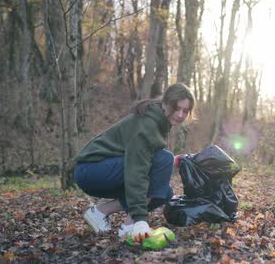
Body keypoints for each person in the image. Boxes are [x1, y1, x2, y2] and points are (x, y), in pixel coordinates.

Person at [74, 83, 195, 241]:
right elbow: (136, 171)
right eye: (176, 108)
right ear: (164, 103)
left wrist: (170, 161)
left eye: (185, 111)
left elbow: (145, 159)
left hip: (105, 169)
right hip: (90, 170)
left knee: (163, 192)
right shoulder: (147, 124)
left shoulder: (160, 120)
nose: (180, 115)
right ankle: (130, 226)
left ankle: (99, 212)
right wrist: (139, 220)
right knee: (163, 160)